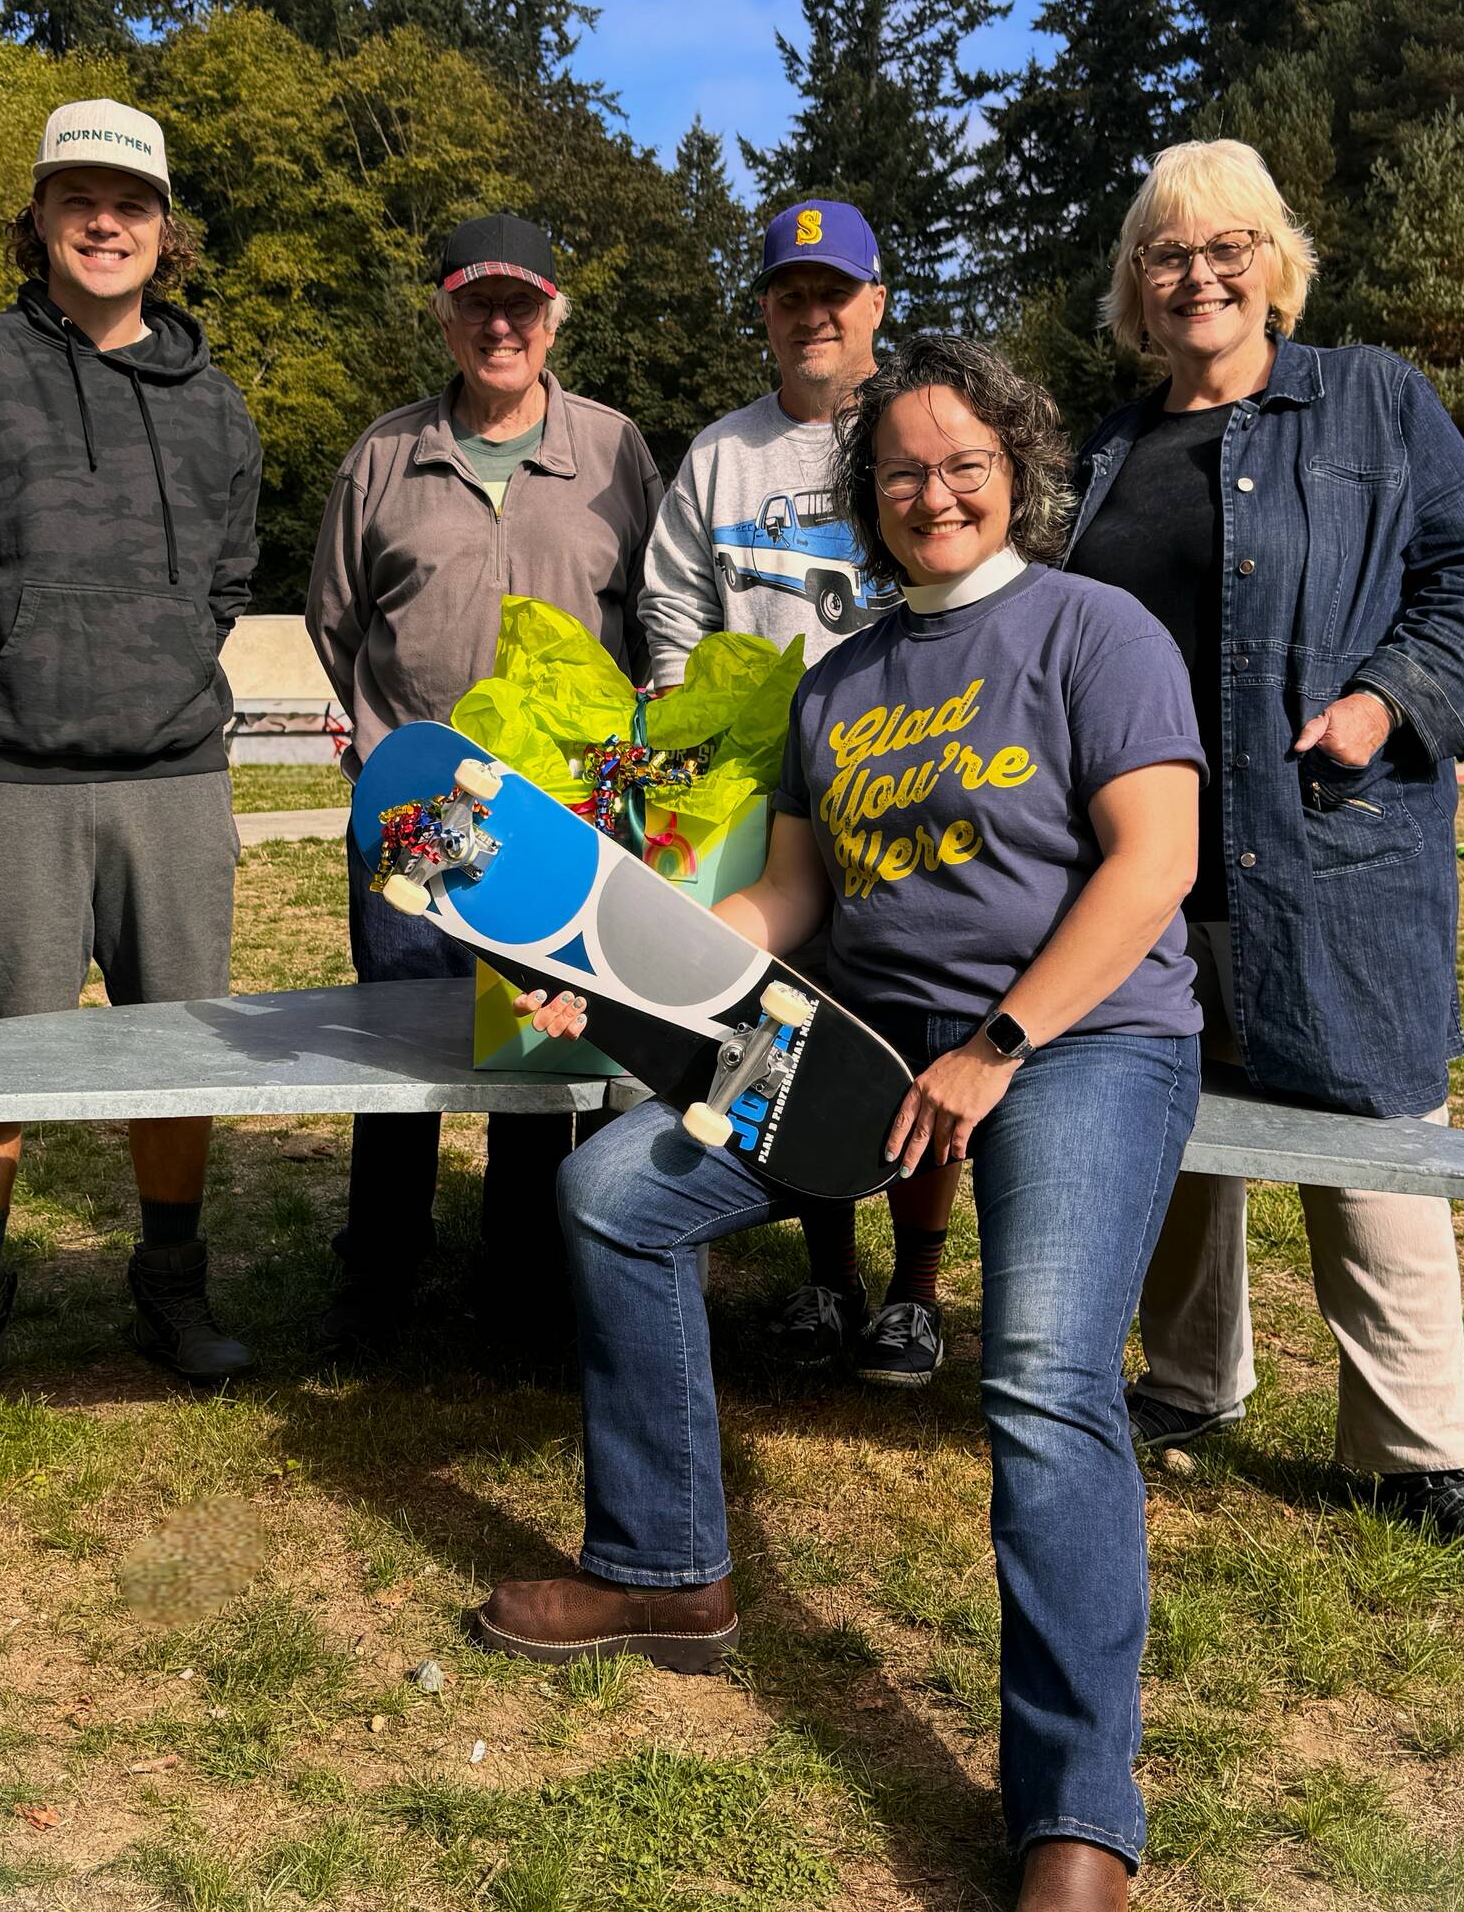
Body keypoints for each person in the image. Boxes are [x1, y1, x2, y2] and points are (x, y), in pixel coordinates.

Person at [481, 334, 1207, 1912]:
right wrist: (613, 977)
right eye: (899, 473)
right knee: (616, 1193)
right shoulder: (842, 676)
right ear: (862, 502)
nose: (932, 493)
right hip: (871, 1045)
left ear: (1016, 469)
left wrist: (1003, 1043)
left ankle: (1077, 1810)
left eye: (963, 465)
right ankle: (667, 1573)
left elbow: (1152, 867)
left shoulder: (1099, 630)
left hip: (1083, 1039)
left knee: (1039, 1378)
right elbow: (790, 896)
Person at [1066, 137, 1464, 1574]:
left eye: (1228, 247)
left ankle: (1419, 1452)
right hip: (1146, 859)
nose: (1200, 275)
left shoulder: (1373, 398)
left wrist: (1387, 700)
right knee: (1164, 1123)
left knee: (1371, 1129)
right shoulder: (1106, 453)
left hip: (1327, 839)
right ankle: (1190, 1379)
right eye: (1168, 254)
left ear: (1275, 263)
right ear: (1136, 291)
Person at [0, 97, 263, 1424]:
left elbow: (223, 581)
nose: (105, 220)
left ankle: (171, 1285)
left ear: (168, 232)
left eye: (132, 201)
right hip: (14, 788)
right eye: (78, 196)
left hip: (175, 783)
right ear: (36, 216)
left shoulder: (215, 405)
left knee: (178, 1054)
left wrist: (149, 677)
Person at [305, 212, 661, 1355]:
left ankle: (523, 1277)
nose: (498, 326)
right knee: (399, 1034)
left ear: (554, 316)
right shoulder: (384, 457)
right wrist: (381, 743)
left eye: (521, 306)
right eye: (476, 305)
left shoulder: (614, 451)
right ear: (444, 316)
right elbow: (337, 617)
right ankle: (380, 1273)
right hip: (417, 810)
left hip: (560, 820)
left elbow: (651, 620)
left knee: (540, 1041)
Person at [643, 199, 952, 1385]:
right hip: (765, 797)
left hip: (913, 779)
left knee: (917, 1024)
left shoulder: (913, 433)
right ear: (764, 313)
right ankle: (828, 1278)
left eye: (834, 291)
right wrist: (694, 711)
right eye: (788, 294)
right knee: (785, 1028)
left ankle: (917, 1291)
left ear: (876, 300)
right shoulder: (720, 455)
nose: (811, 312)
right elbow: (671, 602)